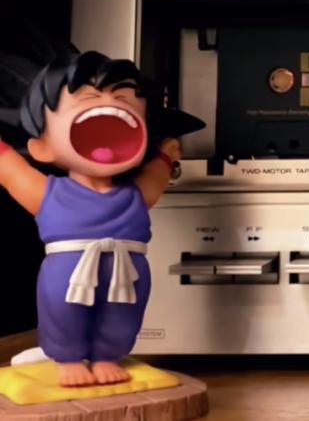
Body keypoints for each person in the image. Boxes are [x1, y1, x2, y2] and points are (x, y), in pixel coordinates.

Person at [0, 51, 186, 388]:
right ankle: (68, 357)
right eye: (87, 98)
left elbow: (157, 177)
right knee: (63, 310)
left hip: (128, 273)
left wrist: (165, 155)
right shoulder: (49, 193)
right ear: (42, 147)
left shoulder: (135, 193)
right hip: (67, 274)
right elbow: (11, 171)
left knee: (122, 315)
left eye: (124, 99)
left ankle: (106, 356)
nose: (108, 102)